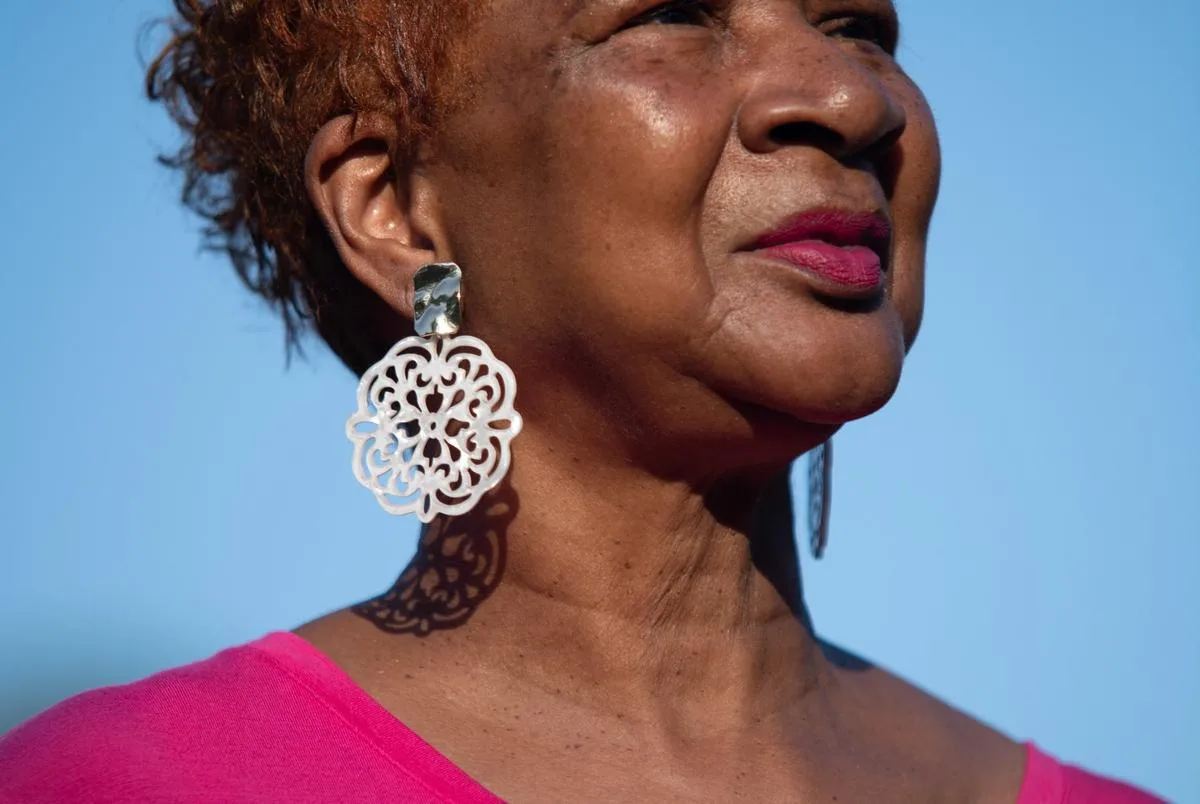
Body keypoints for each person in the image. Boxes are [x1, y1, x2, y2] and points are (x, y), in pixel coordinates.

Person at [0, 0, 1166, 801]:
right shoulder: (130, 784)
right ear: (397, 210)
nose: (850, 99)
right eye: (672, 14)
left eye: (859, 24)